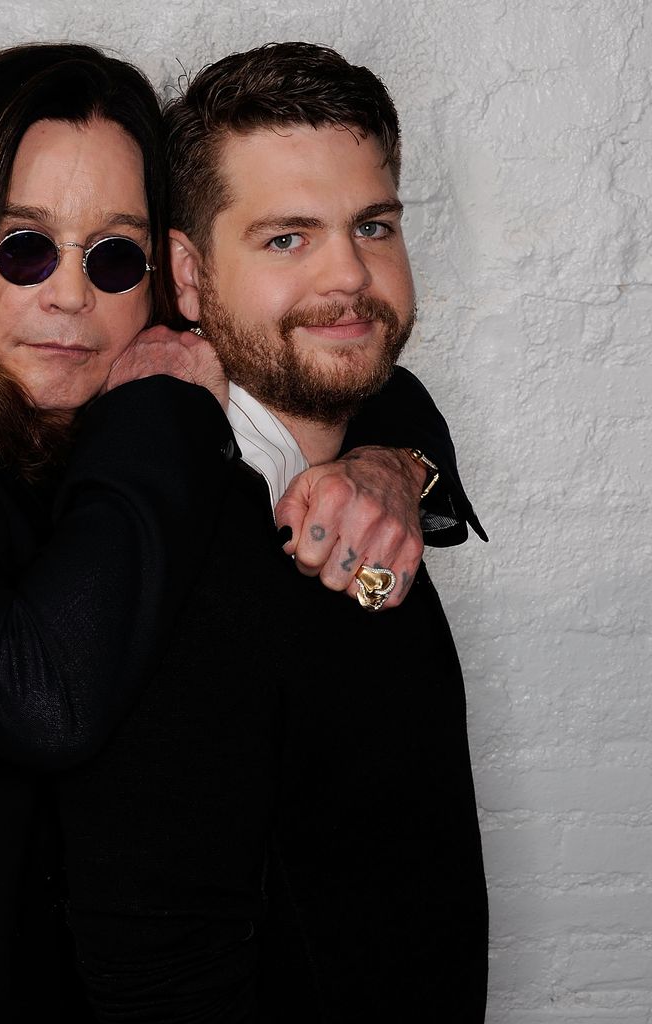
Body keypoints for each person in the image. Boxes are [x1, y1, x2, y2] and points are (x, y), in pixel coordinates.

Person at [0, 42, 467, 1023]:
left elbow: (338, 352)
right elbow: (45, 695)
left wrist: (392, 464)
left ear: (164, 274)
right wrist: (161, 409)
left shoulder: (80, 400)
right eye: (25, 247)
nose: (70, 295)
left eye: (112, 256)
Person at [56, 42, 488, 1023]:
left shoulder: (360, 483)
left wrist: (397, 462)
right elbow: (154, 962)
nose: (350, 276)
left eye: (371, 226)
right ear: (187, 274)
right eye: (287, 238)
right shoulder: (173, 553)